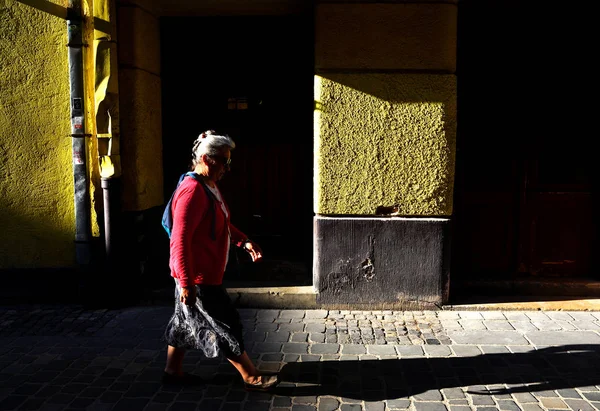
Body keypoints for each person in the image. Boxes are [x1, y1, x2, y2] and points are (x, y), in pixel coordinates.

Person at [162, 130, 279, 392]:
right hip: (198, 277)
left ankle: (172, 371)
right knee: (225, 324)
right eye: (224, 161)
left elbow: (222, 223)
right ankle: (251, 376)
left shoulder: (210, 186)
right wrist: (187, 283)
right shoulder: (192, 191)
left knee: (183, 322)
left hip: (200, 274)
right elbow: (179, 241)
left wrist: (243, 241)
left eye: (229, 161)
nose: (228, 167)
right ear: (206, 158)